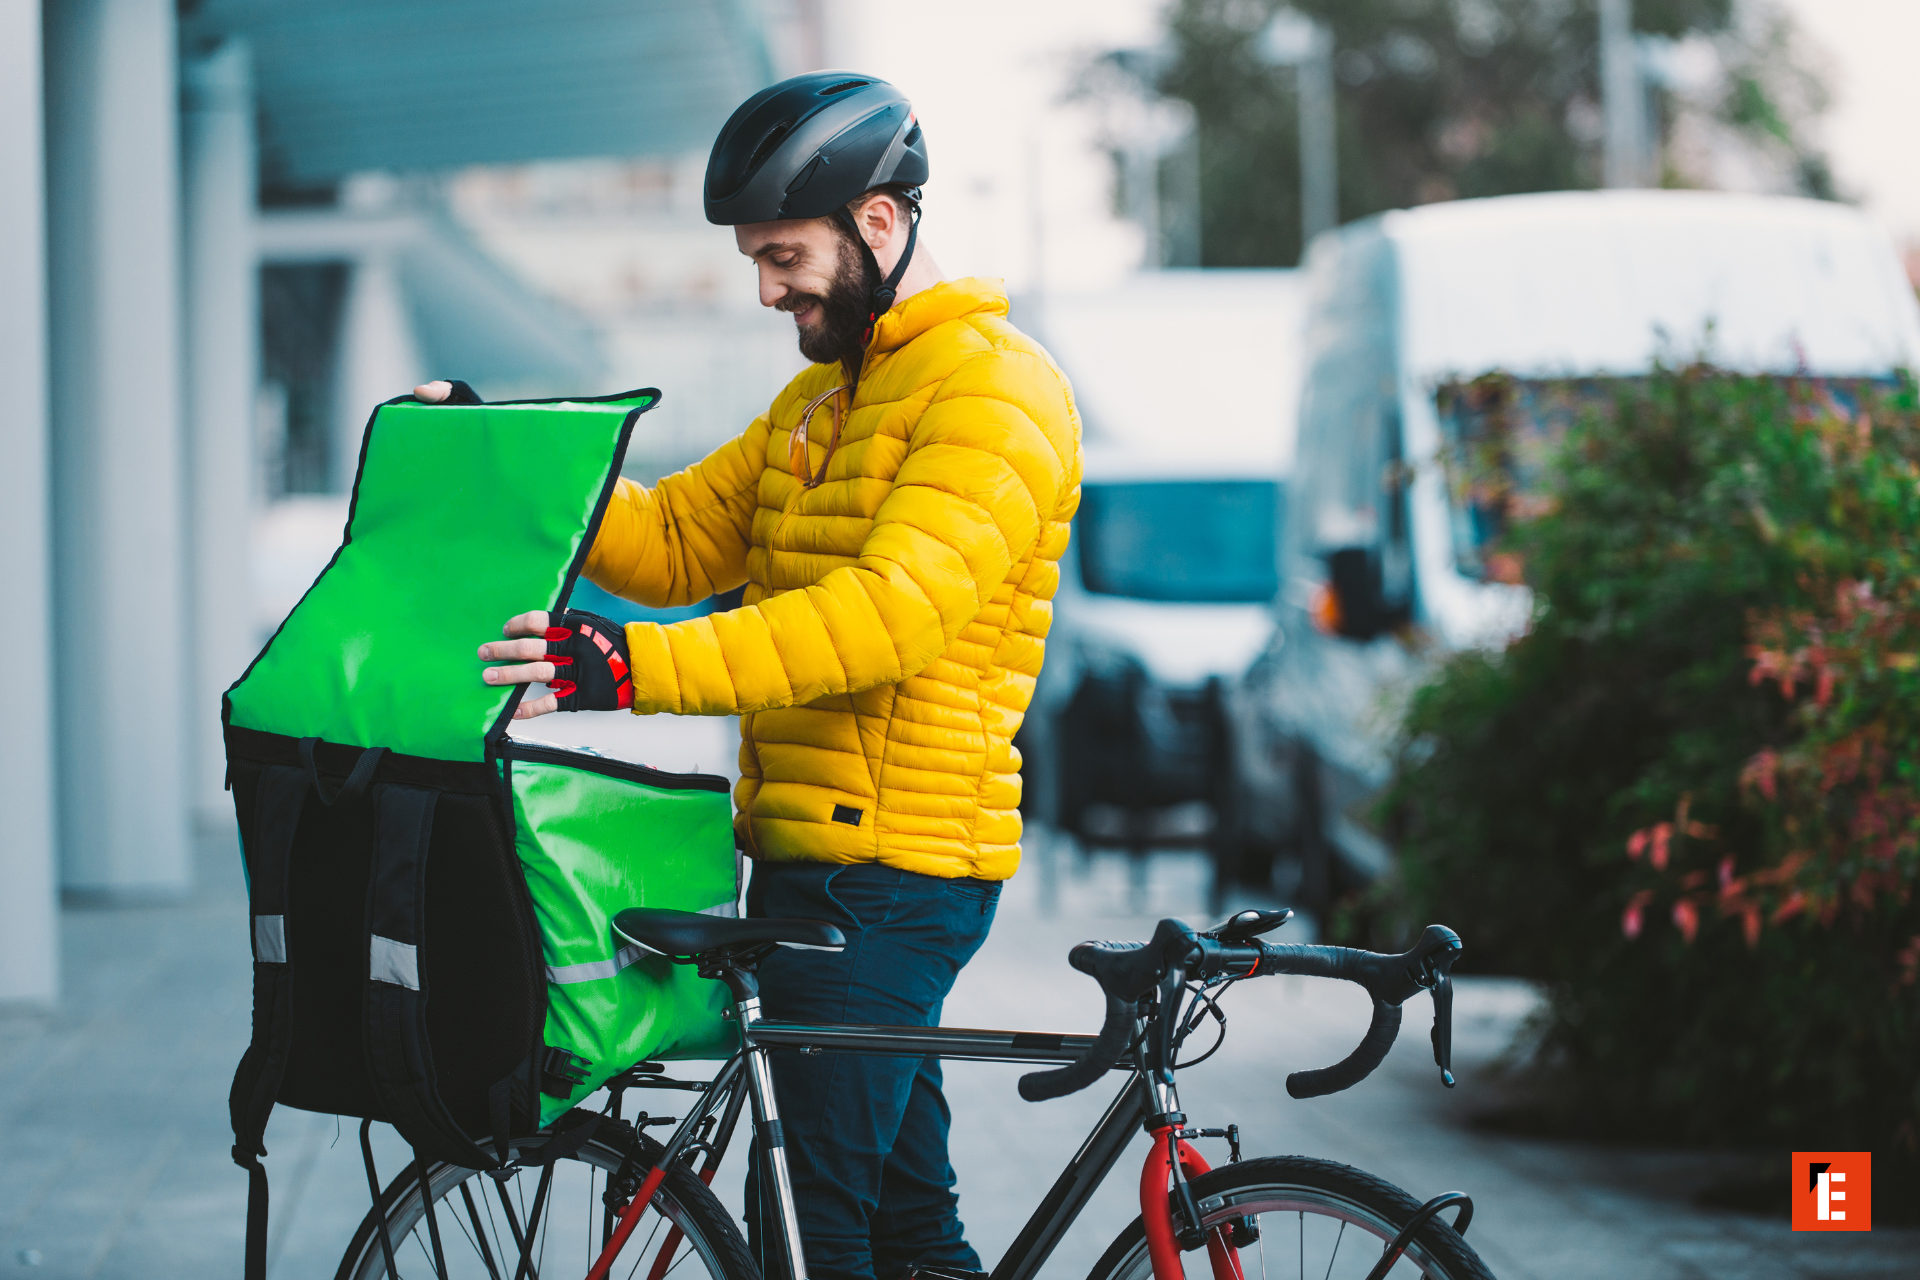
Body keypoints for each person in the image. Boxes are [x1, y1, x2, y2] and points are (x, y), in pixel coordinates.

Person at [439, 71, 1082, 1280]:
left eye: (784, 254)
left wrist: (620, 665)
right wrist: (490, 450)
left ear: (878, 224)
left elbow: (886, 617)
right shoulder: (818, 402)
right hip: (810, 859)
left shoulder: (997, 392)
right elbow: (676, 535)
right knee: (903, 1230)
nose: (766, 287)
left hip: (895, 874)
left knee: (807, 1229)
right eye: (756, 258)